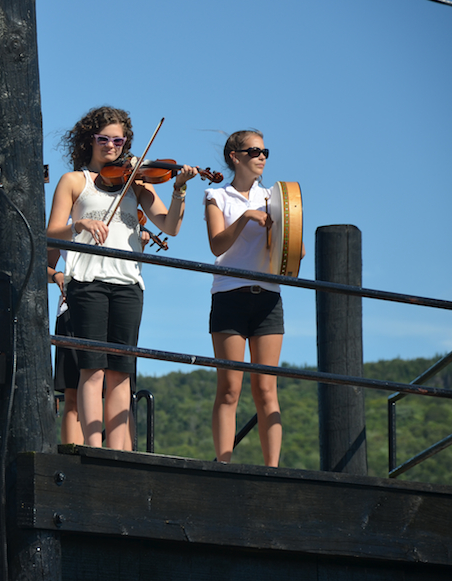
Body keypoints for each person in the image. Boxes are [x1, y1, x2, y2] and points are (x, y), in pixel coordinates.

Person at [46, 106, 195, 449]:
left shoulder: (136, 183)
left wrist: (180, 190)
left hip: (128, 283)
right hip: (87, 281)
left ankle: (116, 452)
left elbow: (170, 226)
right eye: (104, 139)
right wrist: (79, 225)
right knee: (92, 369)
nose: (111, 146)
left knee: (120, 373)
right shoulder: (74, 181)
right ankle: (92, 447)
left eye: (118, 140)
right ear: (90, 140)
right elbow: (51, 233)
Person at [204, 129, 287, 467]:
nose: (262, 156)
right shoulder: (216, 196)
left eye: (265, 150)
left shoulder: (276, 197)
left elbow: (294, 251)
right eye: (254, 151)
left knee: (267, 390)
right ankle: (224, 466)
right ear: (234, 157)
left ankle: (273, 472)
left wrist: (286, 233)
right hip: (229, 295)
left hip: (268, 296)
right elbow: (216, 245)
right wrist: (245, 218)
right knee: (229, 389)